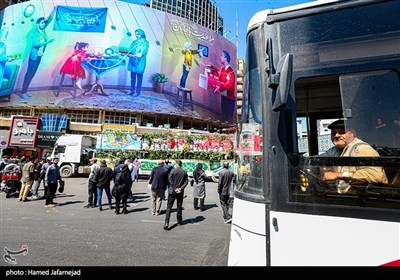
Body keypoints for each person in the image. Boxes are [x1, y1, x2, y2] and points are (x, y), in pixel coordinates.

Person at [322, 119, 388, 193]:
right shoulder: (334, 150)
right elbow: (319, 159)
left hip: (370, 198)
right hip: (349, 196)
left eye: (342, 132)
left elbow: (375, 176)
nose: (336, 136)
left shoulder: (361, 148)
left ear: (353, 133)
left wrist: (339, 175)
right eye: (333, 133)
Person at [20, 9, 56, 99]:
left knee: (33, 73)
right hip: (34, 57)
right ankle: (23, 92)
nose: (43, 24)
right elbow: (36, 44)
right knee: (29, 73)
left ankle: (25, 91)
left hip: (39, 56)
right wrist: (47, 42)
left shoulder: (43, 31)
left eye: (44, 23)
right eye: (42, 23)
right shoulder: (34, 33)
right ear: (37, 24)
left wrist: (54, 10)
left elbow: (49, 20)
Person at [207, 50, 236, 123]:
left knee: (228, 119)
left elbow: (229, 85)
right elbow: (219, 73)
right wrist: (212, 67)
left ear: (226, 59)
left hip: (229, 99)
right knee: (223, 117)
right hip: (224, 97)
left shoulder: (230, 72)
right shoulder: (223, 69)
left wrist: (219, 86)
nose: (220, 57)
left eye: (222, 56)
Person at [164, 159, 188, 230]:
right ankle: (179, 221)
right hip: (180, 192)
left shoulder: (172, 171)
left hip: (172, 191)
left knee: (169, 207)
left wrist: (174, 188)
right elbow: (186, 182)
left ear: (177, 164)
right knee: (179, 206)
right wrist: (180, 188)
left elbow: (170, 180)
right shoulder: (184, 172)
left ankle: (166, 222)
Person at [127, 29, 149, 97]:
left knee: (139, 76)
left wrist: (138, 55)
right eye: (136, 34)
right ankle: (131, 90)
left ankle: (138, 92)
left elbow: (144, 52)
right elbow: (130, 50)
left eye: (138, 34)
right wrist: (128, 54)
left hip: (140, 61)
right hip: (133, 60)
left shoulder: (145, 42)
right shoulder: (134, 42)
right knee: (132, 76)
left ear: (142, 34)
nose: (137, 35)